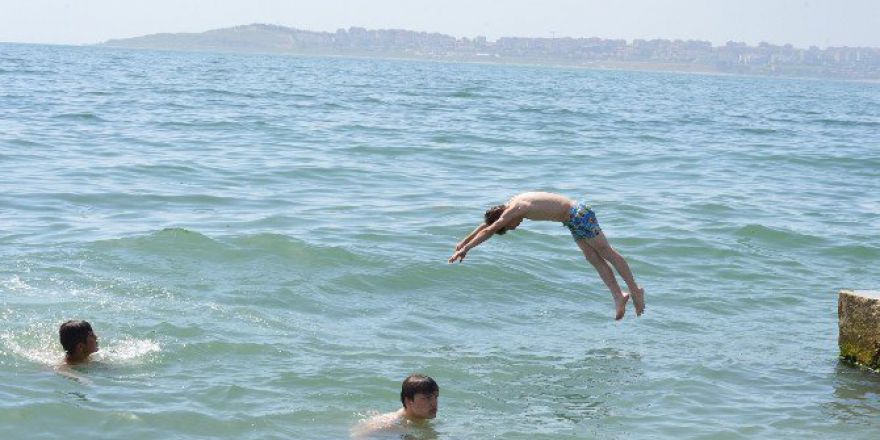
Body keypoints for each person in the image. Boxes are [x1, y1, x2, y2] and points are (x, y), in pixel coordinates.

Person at [449, 191, 644, 320]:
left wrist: (467, 249)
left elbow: (490, 230)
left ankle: (635, 290)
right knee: (593, 258)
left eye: (509, 226)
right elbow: (487, 225)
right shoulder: (509, 207)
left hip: (578, 214)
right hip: (571, 221)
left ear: (505, 219)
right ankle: (618, 295)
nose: (514, 227)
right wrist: (463, 243)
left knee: (605, 252)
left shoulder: (516, 208)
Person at [352, 374, 439, 438]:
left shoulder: (423, 420)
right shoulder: (389, 424)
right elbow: (357, 433)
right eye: (427, 398)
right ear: (408, 401)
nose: (434, 403)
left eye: (436, 397)